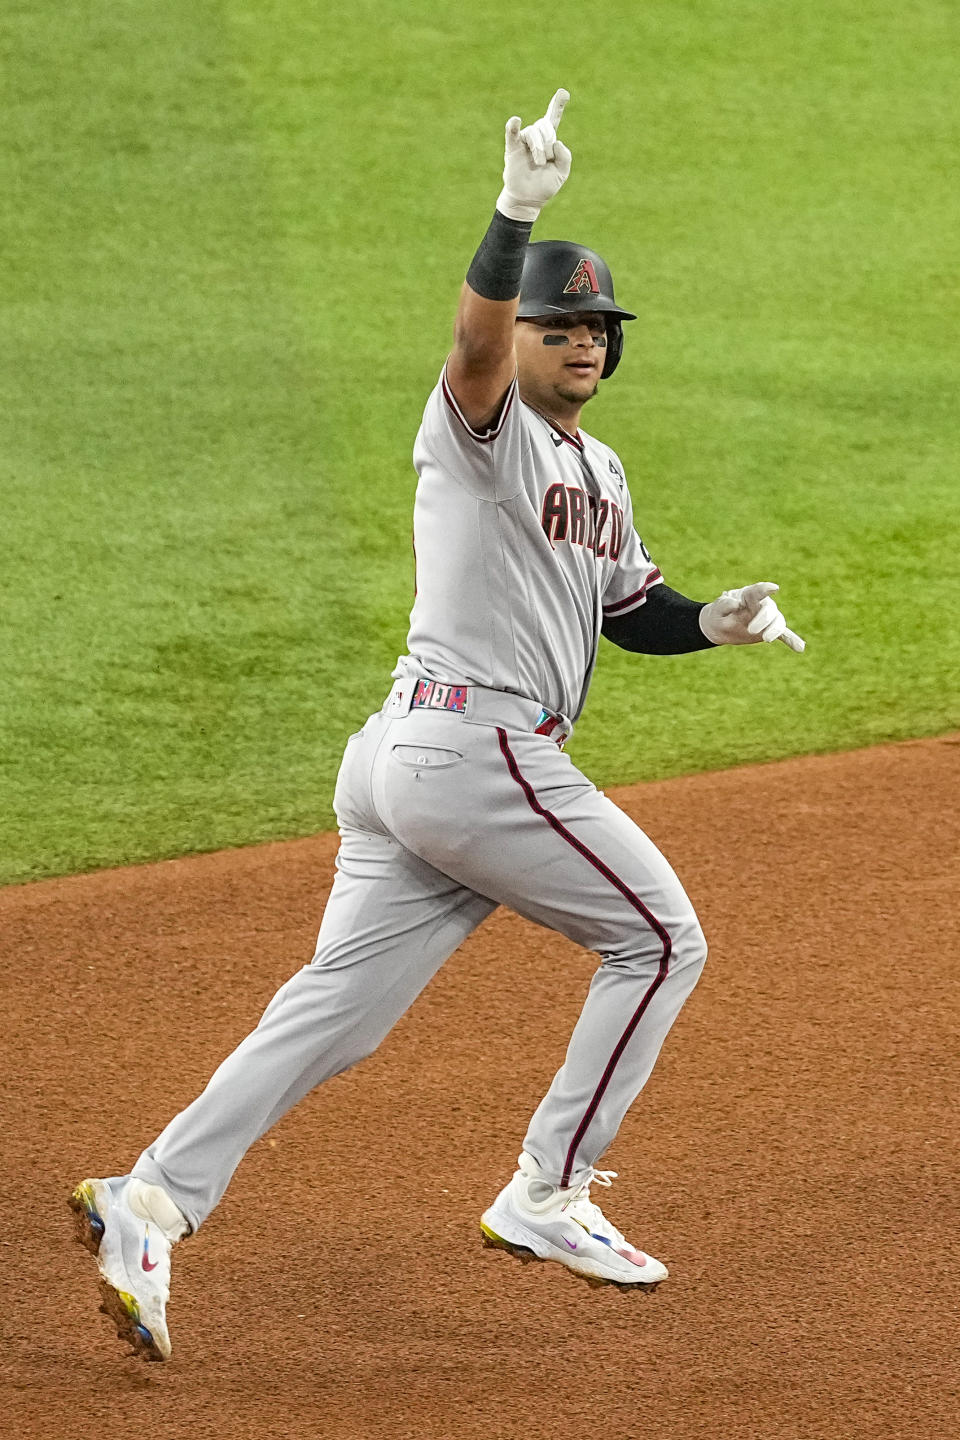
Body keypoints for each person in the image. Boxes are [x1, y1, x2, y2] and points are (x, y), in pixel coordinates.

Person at [69, 87, 804, 1362]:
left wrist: (713, 623)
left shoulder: (601, 468)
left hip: (410, 760)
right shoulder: (481, 428)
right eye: (562, 321)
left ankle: (151, 1202)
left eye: (599, 326)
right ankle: (546, 1193)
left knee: (335, 1010)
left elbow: (628, 606)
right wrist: (516, 213)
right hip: (474, 755)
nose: (585, 340)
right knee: (661, 941)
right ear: (524, 333)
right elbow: (472, 347)